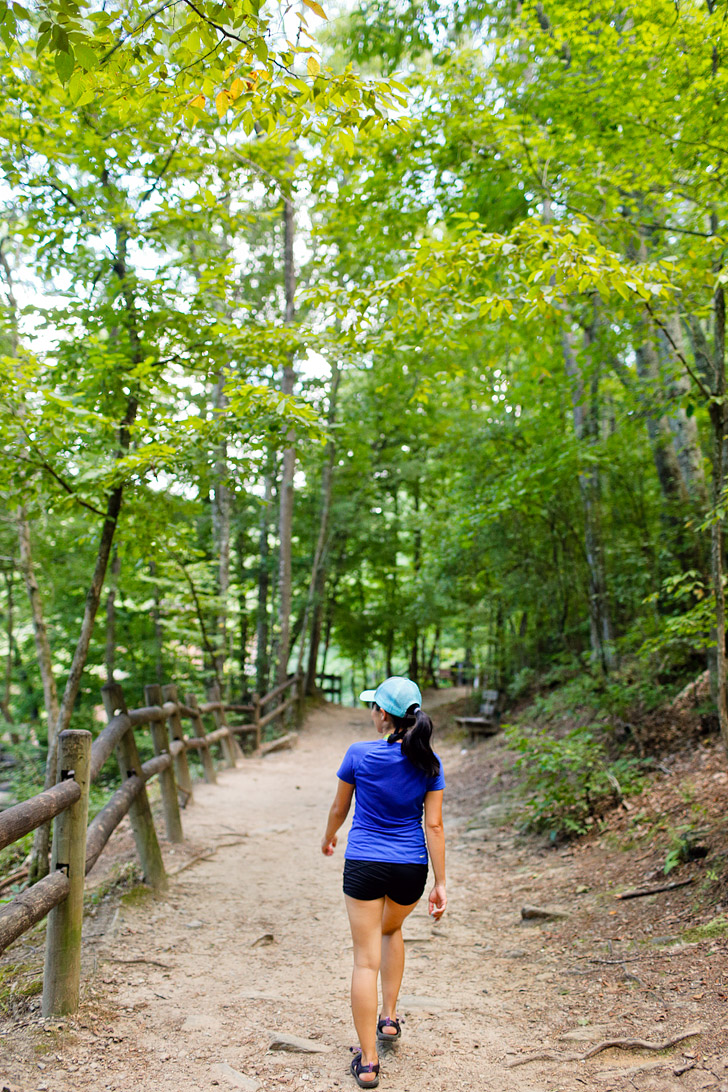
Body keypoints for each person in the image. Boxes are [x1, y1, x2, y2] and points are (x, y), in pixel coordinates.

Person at [321, 676, 447, 1089]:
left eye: (373, 706)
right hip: (411, 867)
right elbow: (434, 825)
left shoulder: (358, 754)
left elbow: (340, 807)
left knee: (364, 959)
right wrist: (440, 883)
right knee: (391, 928)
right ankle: (388, 1018)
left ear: (383, 714)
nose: (371, 713)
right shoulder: (430, 762)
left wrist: (328, 837)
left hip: (363, 864)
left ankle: (369, 1062)